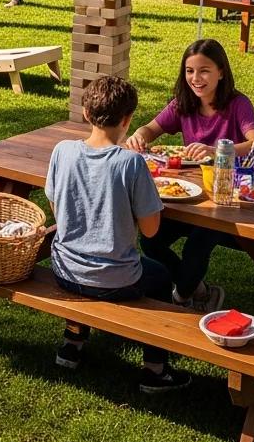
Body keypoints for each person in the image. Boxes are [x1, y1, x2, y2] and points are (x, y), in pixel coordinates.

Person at [46, 75, 190, 393]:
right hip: (115, 281)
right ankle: (155, 370)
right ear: (127, 120)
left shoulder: (62, 151)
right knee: (162, 277)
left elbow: (57, 209)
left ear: (86, 113)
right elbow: (152, 231)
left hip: (64, 272)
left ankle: (72, 344)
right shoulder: (131, 163)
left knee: (92, 272)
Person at [126, 39, 254, 311]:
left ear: (221, 72)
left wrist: (216, 150)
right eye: (190, 71)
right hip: (190, 193)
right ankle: (198, 291)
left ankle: (179, 301)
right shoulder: (184, 103)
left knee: (199, 241)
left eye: (204, 70)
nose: (195, 78)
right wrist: (139, 135)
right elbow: (150, 128)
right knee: (151, 238)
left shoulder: (238, 104)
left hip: (228, 199)